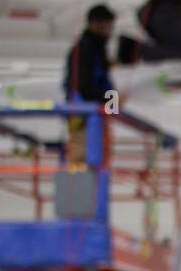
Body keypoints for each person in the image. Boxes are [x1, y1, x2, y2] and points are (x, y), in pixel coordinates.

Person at [63, 4, 116, 167]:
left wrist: (113, 102)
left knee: (98, 159)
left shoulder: (97, 49)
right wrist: (112, 101)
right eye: (107, 26)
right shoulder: (86, 48)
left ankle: (93, 189)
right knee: (83, 159)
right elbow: (83, 85)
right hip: (84, 113)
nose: (110, 31)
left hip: (94, 114)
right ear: (96, 24)